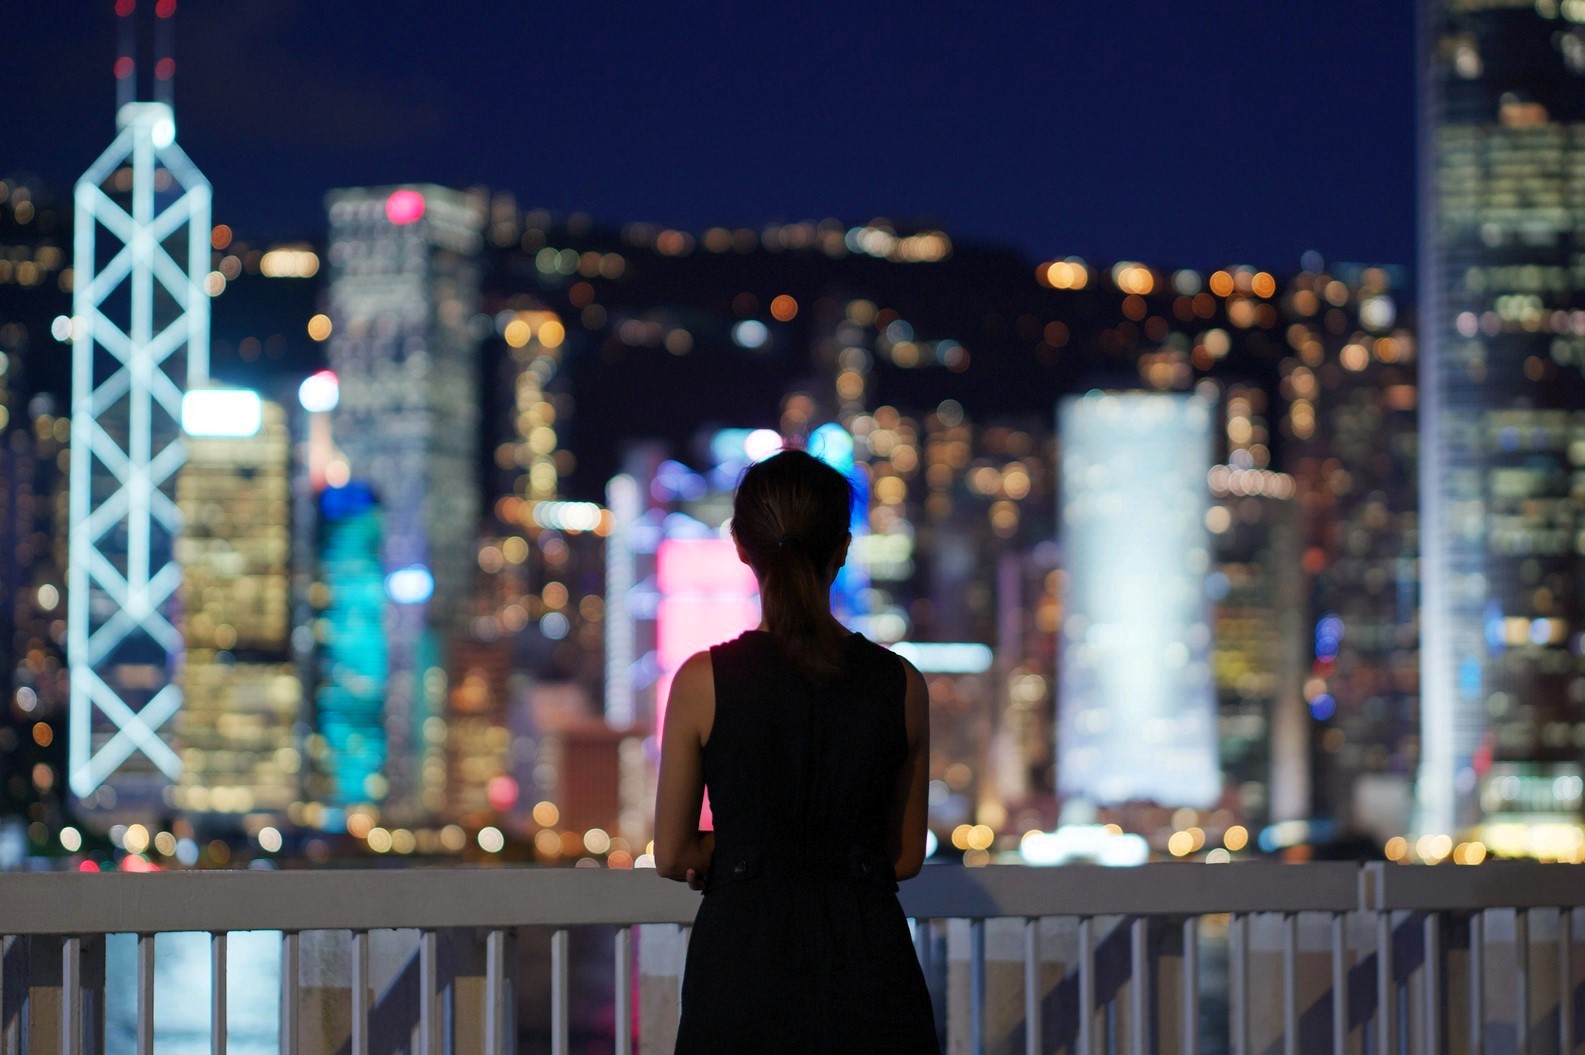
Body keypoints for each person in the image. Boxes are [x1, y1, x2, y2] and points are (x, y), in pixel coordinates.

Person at [654, 449, 939, 1053]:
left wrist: (752, 849)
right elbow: (905, 855)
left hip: (743, 962)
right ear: (842, 548)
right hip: (869, 960)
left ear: (739, 546)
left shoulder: (703, 680)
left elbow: (673, 850)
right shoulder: (902, 684)